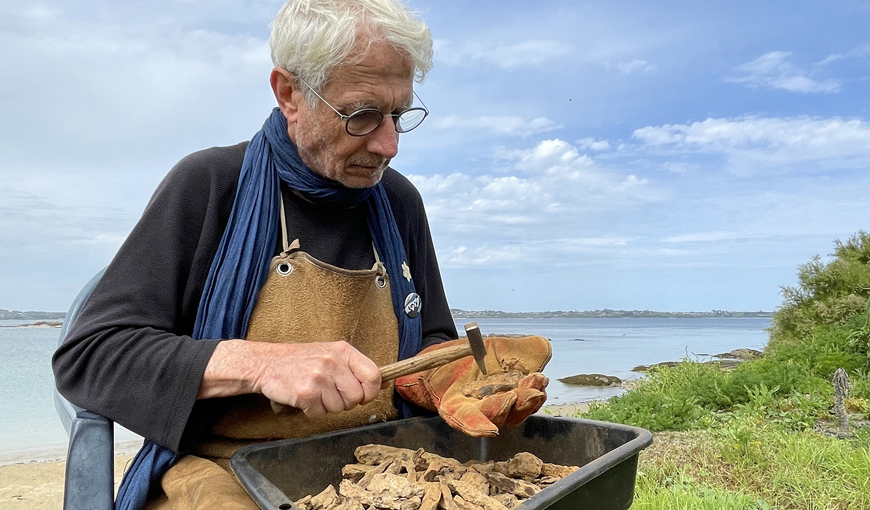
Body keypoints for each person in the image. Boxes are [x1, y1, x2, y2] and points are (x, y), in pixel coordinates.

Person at [53, 1, 550, 509]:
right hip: (227, 472)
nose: (389, 145)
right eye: (362, 115)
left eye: (399, 116)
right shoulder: (209, 185)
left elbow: (432, 339)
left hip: (384, 467)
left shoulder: (399, 202)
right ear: (289, 93)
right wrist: (257, 364)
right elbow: (90, 356)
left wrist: (444, 377)